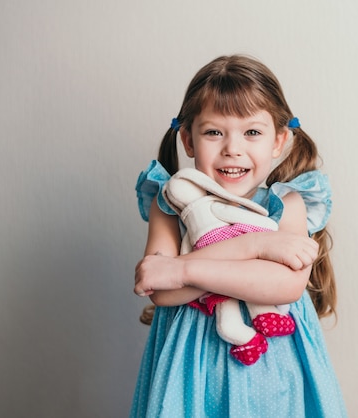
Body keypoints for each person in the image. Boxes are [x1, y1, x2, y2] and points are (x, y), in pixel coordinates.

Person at [131, 54, 347, 417]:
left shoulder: (287, 204)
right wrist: (258, 245)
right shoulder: (170, 203)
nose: (232, 148)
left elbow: (284, 285)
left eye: (252, 132)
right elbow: (163, 288)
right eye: (214, 132)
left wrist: (182, 270)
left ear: (278, 142)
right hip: (192, 372)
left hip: (275, 371)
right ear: (187, 139)